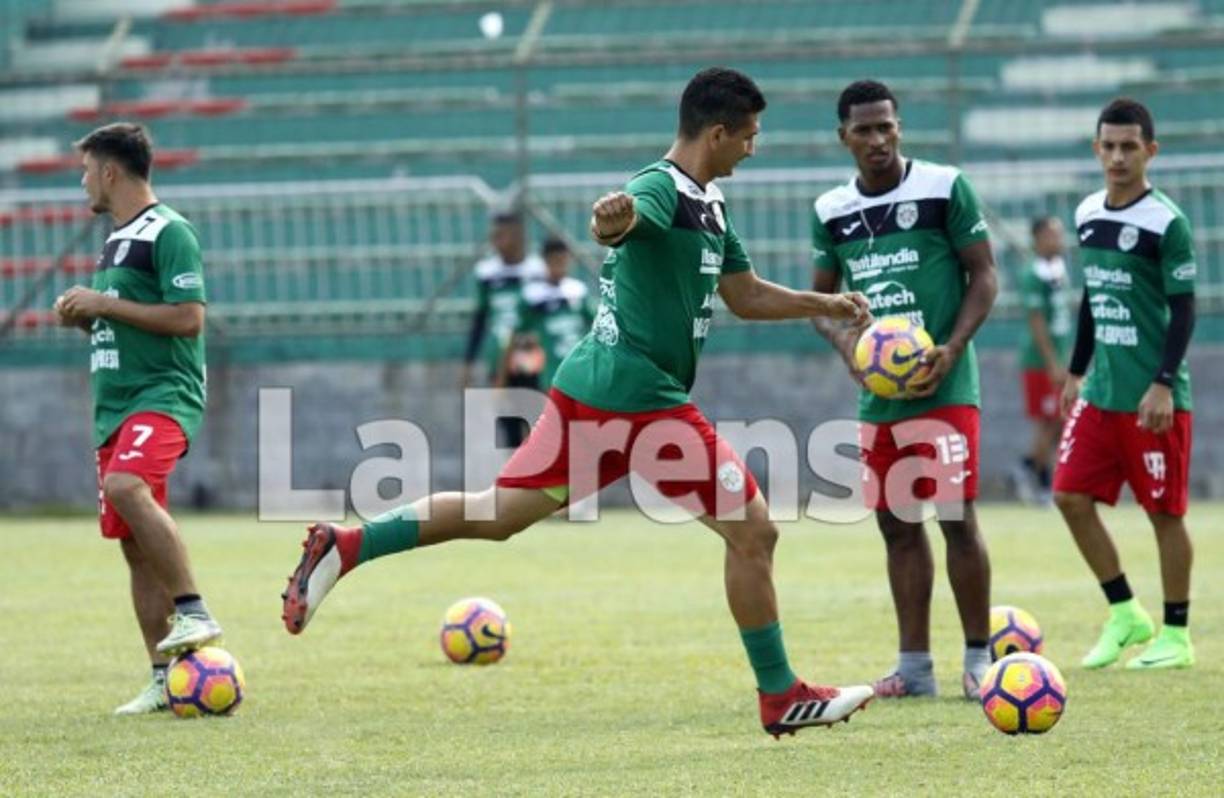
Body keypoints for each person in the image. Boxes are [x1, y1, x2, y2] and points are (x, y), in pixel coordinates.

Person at [281, 67, 875, 737]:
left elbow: (745, 294)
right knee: (754, 530)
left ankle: (347, 544)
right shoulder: (660, 187)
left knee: (499, 514)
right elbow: (616, 219)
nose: (753, 148)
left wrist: (822, 302)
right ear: (717, 133)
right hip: (638, 395)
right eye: (749, 136)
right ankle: (780, 695)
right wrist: (607, 220)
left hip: (596, 387)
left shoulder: (708, 205)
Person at [810, 80, 998, 699]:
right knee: (895, 525)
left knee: (955, 518)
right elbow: (820, 303)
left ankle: (978, 661)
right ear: (844, 137)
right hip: (881, 396)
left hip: (944, 388)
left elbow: (985, 275)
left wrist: (953, 348)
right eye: (864, 130)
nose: (878, 140)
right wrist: (849, 351)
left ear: (900, 128)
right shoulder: (831, 210)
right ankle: (914, 669)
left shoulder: (945, 187)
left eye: (886, 127)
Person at [53, 123, 222, 714]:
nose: (81, 183)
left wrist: (103, 302)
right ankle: (162, 677)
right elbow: (125, 320)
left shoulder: (169, 231)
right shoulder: (115, 241)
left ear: (109, 172)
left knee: (128, 487)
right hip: (115, 406)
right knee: (132, 545)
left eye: (85, 170)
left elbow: (187, 319)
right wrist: (86, 317)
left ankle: (195, 610)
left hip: (164, 394)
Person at [1054, 98, 1196, 670]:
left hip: (1153, 400)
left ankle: (1178, 635)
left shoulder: (1168, 222)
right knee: (1067, 495)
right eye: (1108, 146)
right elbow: (1092, 296)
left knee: (1164, 515)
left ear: (1149, 151)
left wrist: (1163, 383)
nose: (1117, 157)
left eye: (1128, 147)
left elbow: (1184, 311)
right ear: (1096, 149)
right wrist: (1075, 369)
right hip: (1102, 393)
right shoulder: (1088, 211)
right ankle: (1125, 612)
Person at [461, 211, 547, 447]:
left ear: (518, 236)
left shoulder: (537, 270)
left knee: (536, 423)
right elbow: (480, 317)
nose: (496, 242)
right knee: (508, 424)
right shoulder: (487, 273)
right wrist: (468, 362)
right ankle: (517, 479)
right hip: (499, 358)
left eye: (502, 236)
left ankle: (536, 479)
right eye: (494, 236)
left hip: (531, 358)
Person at [1014, 216, 1072, 505]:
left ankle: (1031, 469)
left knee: (1060, 421)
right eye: (1052, 236)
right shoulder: (1032, 274)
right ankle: (1036, 476)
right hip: (1040, 362)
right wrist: (1052, 363)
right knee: (1049, 421)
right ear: (1037, 239)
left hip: (1059, 359)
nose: (1058, 241)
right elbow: (1036, 320)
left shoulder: (1056, 269)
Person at [496, 238, 594, 392]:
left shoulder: (577, 291)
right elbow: (515, 336)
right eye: (555, 260)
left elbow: (595, 327)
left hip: (581, 374)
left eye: (563, 260)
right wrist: (502, 379)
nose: (560, 266)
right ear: (545, 261)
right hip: (551, 376)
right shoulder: (534, 297)